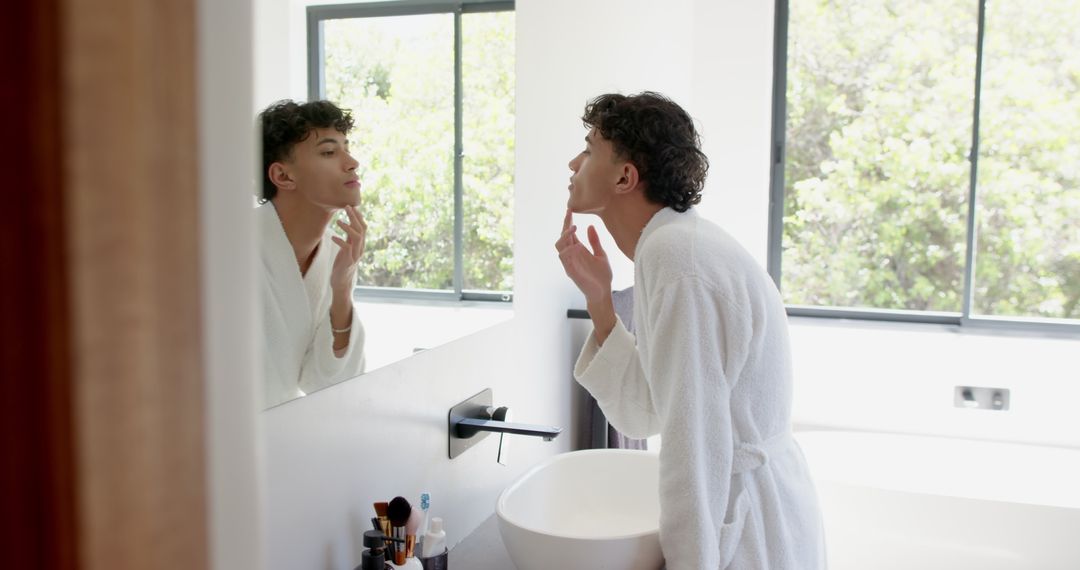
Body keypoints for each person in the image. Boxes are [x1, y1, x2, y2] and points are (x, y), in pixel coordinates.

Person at [556, 92, 826, 569]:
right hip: (757, 508)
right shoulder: (674, 246)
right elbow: (647, 411)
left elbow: (693, 448)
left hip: (748, 528)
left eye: (590, 148)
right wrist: (600, 297)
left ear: (625, 176)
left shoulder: (679, 261)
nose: (574, 161)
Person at [258, 99, 367, 408]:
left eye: (347, 148)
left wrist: (342, 287)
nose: (352, 162)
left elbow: (328, 382)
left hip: (281, 433)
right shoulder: (227, 248)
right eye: (329, 152)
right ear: (283, 176)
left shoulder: (337, 254)